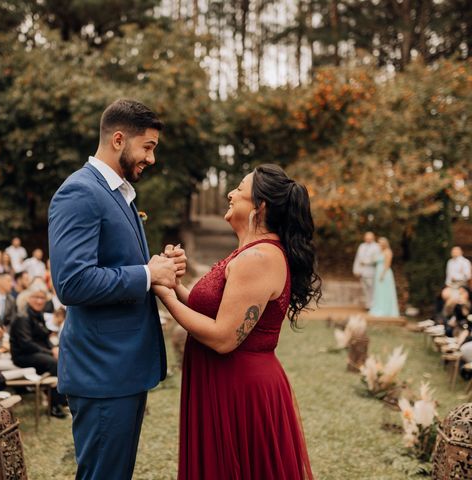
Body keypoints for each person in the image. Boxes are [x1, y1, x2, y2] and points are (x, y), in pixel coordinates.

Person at [154, 164, 319, 479]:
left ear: (260, 206)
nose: (230, 193)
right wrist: (174, 282)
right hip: (220, 379)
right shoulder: (246, 254)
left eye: (239, 189)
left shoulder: (260, 259)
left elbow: (223, 337)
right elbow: (212, 313)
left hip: (239, 389)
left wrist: (164, 295)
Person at [49, 99, 179, 479]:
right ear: (119, 139)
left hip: (121, 369)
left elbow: (117, 267)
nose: (152, 159)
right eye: (148, 147)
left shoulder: (118, 192)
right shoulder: (80, 192)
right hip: (102, 371)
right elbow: (72, 282)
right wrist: (146, 274)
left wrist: (161, 268)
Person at [11, 280, 66, 416]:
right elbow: (26, 344)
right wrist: (50, 352)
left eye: (42, 298)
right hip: (23, 355)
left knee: (62, 355)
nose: (39, 301)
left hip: (36, 353)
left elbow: (45, 337)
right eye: (36, 297)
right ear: (28, 298)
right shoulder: (22, 317)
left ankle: (64, 398)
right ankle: (55, 405)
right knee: (53, 362)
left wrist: (54, 348)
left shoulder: (38, 315)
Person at [369, 237, 400, 317]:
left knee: (385, 292)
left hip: (384, 273)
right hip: (378, 272)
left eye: (380, 243)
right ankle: (378, 308)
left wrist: (382, 275)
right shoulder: (380, 252)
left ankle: (386, 310)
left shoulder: (388, 252)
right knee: (379, 292)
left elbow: (387, 264)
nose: (379, 244)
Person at [352, 232, 381, 310]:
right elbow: (357, 258)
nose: (368, 239)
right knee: (365, 289)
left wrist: (366, 262)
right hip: (362, 271)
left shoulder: (376, 246)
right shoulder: (362, 246)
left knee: (372, 288)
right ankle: (368, 305)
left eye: (370, 238)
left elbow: (377, 259)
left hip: (371, 271)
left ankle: (373, 305)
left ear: (373, 238)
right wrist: (356, 270)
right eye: (367, 238)